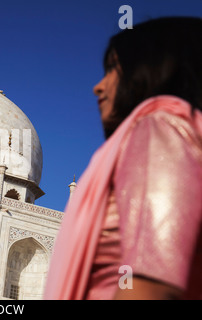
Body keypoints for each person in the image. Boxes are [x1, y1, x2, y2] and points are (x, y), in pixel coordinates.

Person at [43, 17, 202, 300]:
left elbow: (149, 286)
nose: (98, 86)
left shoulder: (158, 129)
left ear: (152, 70)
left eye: (112, 70)